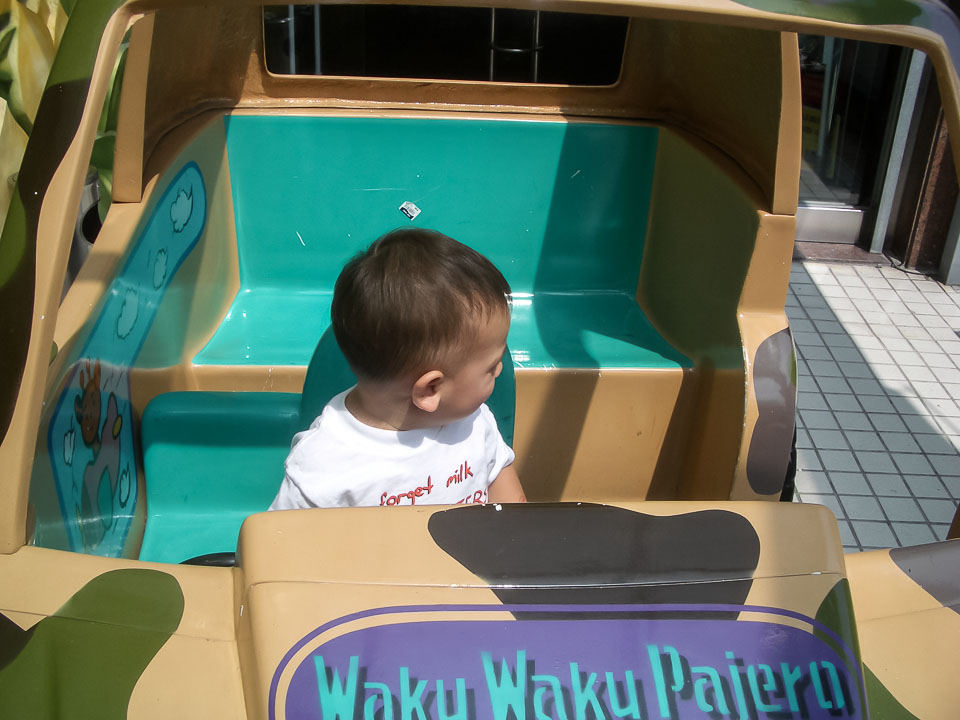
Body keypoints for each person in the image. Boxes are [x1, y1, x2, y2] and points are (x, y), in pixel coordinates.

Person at [269, 228, 525, 509]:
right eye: (491, 367)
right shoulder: (322, 468)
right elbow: (282, 536)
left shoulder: (475, 421)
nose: (500, 370)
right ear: (430, 389)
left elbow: (508, 498)